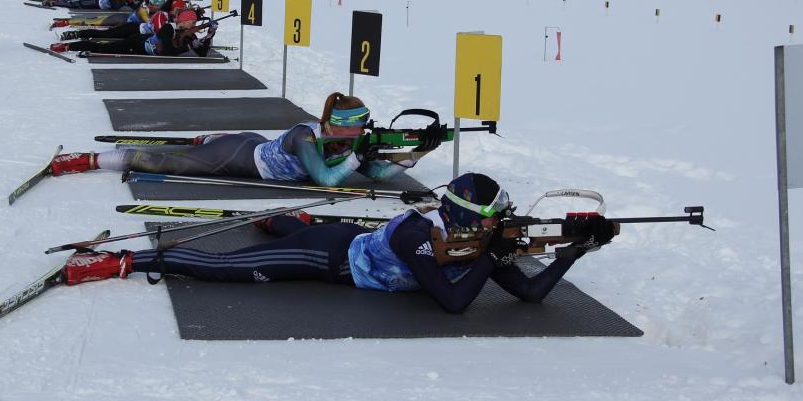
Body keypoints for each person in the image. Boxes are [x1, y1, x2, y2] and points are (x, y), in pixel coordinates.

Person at [59, 172, 616, 313]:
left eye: (495, 224)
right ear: (458, 215)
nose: (491, 232)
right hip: (328, 258)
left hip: (354, 239)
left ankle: (285, 220)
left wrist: (573, 250)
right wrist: (493, 254)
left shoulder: (475, 240)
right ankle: (126, 259)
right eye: (484, 225)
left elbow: (530, 293)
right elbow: (452, 303)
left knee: (299, 227)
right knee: (230, 268)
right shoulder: (420, 233)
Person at [48, 92, 428, 186]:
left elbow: (377, 175)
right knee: (168, 161)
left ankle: (209, 138)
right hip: (241, 158)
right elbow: (325, 179)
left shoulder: (345, 140)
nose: (363, 132)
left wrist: (416, 154)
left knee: (222, 141)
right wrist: (359, 158)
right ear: (342, 125)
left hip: (253, 139)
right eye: (359, 127)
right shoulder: (305, 138)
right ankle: (90, 159)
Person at [52, 7, 216, 56]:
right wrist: (187, 44)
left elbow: (202, 53)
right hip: (136, 42)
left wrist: (209, 36)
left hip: (142, 48)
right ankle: (70, 46)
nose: (194, 25)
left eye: (195, 23)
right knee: (103, 45)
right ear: (183, 21)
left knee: (105, 43)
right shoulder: (169, 28)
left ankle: (73, 42)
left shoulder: (189, 36)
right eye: (192, 22)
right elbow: (165, 48)